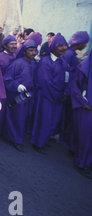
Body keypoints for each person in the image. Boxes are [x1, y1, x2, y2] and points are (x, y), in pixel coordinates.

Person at [30, 33, 70, 155]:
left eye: (65, 45)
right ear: (53, 47)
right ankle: (38, 143)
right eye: (60, 46)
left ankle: (45, 139)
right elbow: (45, 82)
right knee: (44, 120)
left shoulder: (63, 60)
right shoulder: (45, 62)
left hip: (59, 96)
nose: (64, 48)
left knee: (54, 120)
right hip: (47, 96)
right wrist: (59, 96)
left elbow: (68, 77)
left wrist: (65, 93)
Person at [2, 40, 38, 152]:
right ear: (24, 52)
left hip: (29, 95)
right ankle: (16, 140)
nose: (33, 52)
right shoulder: (18, 63)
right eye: (30, 50)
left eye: (35, 50)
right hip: (17, 95)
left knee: (24, 118)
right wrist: (16, 85)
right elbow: (6, 79)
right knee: (17, 119)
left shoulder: (34, 63)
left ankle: (16, 136)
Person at [69, 49, 92, 179]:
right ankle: (81, 164)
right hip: (86, 107)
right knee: (85, 137)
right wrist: (83, 103)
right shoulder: (83, 67)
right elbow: (75, 88)